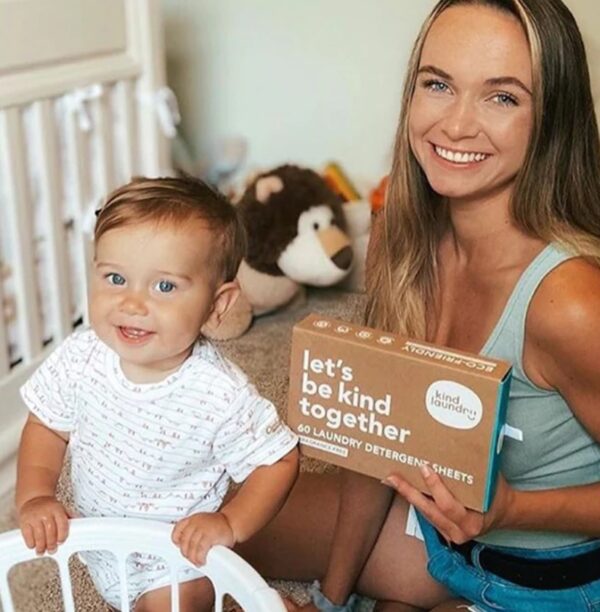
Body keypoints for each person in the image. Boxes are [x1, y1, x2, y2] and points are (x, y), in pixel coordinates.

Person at [236, 0, 600, 610]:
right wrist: (332, 598)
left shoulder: (570, 301)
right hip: (442, 536)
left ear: (551, 120)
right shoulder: (401, 239)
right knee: (218, 521)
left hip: (550, 574)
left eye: (502, 97)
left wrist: (510, 508)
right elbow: (376, 447)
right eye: (438, 85)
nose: (456, 125)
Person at [15, 177, 299, 612]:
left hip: (177, 561)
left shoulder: (217, 393)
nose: (132, 303)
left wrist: (230, 523)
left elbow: (278, 460)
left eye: (163, 286)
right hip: (101, 543)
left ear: (217, 304)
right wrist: (36, 494)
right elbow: (47, 425)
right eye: (115, 278)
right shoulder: (80, 357)